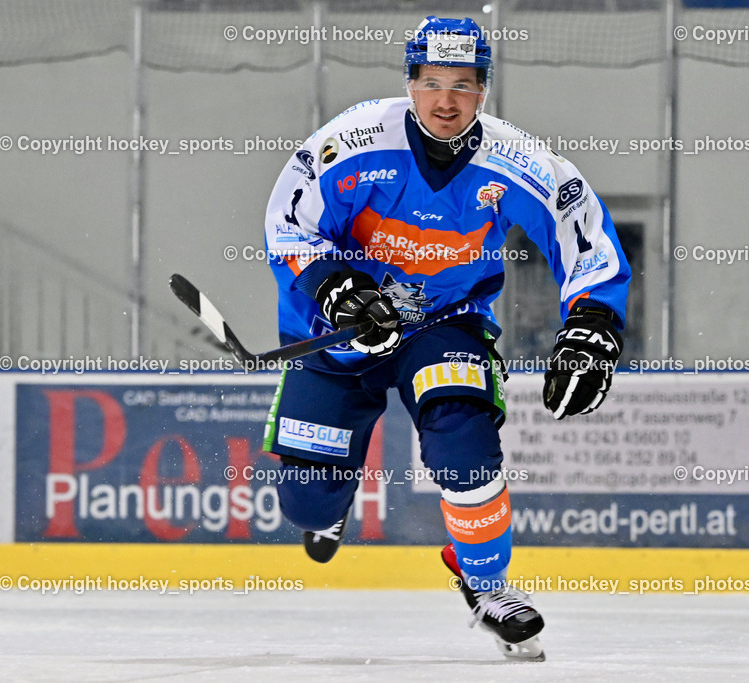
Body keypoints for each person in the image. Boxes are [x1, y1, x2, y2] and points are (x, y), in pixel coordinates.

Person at [261, 15, 631, 661]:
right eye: (431, 82)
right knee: (306, 502)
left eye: (463, 84)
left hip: (443, 323)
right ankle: (330, 502)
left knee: (464, 442)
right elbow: (290, 226)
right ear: (409, 82)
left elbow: (584, 238)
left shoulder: (518, 160)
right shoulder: (351, 141)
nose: (446, 100)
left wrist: (592, 325)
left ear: (483, 89)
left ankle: (487, 586)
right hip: (335, 333)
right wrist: (335, 287)